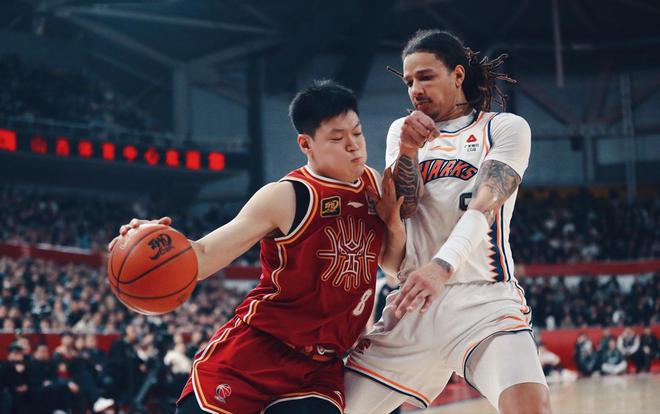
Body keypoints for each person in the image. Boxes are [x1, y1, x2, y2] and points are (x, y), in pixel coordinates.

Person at [110, 80, 405, 414]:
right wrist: (151, 241)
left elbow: (392, 267)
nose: (353, 145)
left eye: (357, 132)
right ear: (306, 144)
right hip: (255, 352)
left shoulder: (373, 185)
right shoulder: (287, 196)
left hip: (319, 370)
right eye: (337, 138)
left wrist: (394, 225)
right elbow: (203, 257)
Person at [344, 29, 551, 414]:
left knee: (531, 408)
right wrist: (408, 150)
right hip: (413, 304)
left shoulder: (503, 128)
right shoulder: (401, 132)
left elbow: (484, 207)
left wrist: (441, 267)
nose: (415, 90)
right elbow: (402, 210)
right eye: (409, 82)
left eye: (425, 77)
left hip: (484, 303)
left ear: (457, 75)